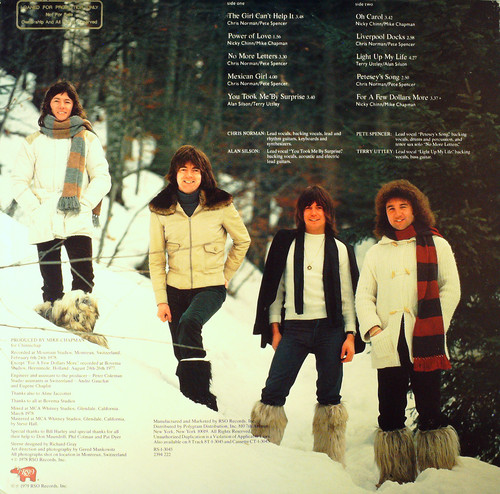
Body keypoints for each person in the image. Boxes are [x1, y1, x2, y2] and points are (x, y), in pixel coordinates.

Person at [355, 179, 461, 487]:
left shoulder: (437, 245)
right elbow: (364, 296)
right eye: (391, 208)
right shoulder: (376, 252)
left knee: (430, 409)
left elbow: (451, 288)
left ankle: (436, 475)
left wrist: (437, 325)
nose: (397, 213)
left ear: (416, 209)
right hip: (389, 340)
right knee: (389, 412)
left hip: (426, 340)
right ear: (384, 213)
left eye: (403, 206)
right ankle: (394, 476)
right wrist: (374, 329)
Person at [251, 185, 358, 465]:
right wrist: (275, 328)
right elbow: (276, 290)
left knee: (330, 396)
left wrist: (350, 335)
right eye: (308, 207)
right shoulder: (286, 243)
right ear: (300, 212)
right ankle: (260, 456)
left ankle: (330, 460)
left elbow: (347, 296)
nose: (313, 212)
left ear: (328, 212)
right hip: (294, 329)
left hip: (331, 330)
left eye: (319, 207)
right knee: (273, 391)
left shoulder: (340, 248)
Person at [149, 145, 250, 411]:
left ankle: (203, 400)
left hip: (210, 288)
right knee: (181, 350)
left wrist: (225, 275)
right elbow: (156, 257)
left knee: (190, 323)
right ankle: (190, 404)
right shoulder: (161, 209)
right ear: (174, 174)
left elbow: (243, 241)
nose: (189, 175)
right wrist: (162, 300)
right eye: (183, 169)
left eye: (195, 170)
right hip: (175, 289)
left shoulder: (221, 204)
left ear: (204, 174)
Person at [10, 81, 111, 336]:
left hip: (77, 214)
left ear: (74, 105)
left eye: (67, 101)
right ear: (48, 104)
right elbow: (18, 181)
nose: (62, 106)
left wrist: (85, 204)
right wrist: (36, 208)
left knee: (83, 278)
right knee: (51, 282)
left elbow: (102, 177)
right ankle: (53, 332)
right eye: (57, 100)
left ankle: (81, 330)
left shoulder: (87, 138)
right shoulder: (33, 141)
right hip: (45, 216)